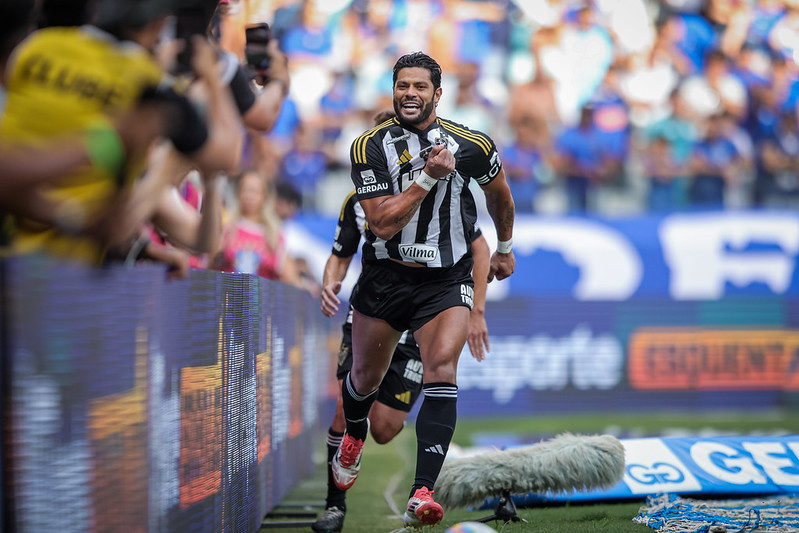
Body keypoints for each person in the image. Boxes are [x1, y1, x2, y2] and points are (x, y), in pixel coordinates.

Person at [331, 52, 515, 528]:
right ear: (393, 91)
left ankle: (422, 492)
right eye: (402, 85)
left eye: (419, 86)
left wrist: (505, 247)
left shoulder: (473, 144)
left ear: (437, 93)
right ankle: (352, 437)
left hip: (445, 280)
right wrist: (427, 178)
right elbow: (381, 224)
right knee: (364, 383)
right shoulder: (368, 146)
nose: (409, 93)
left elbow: (500, 195)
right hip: (386, 277)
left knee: (441, 370)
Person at [312, 112, 492, 533]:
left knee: (387, 428)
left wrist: (478, 310)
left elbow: (479, 247)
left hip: (423, 315)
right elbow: (341, 251)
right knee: (346, 401)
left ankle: (419, 485)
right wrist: (330, 283)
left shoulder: (444, 191)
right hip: (377, 304)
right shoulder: (360, 201)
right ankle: (334, 505)